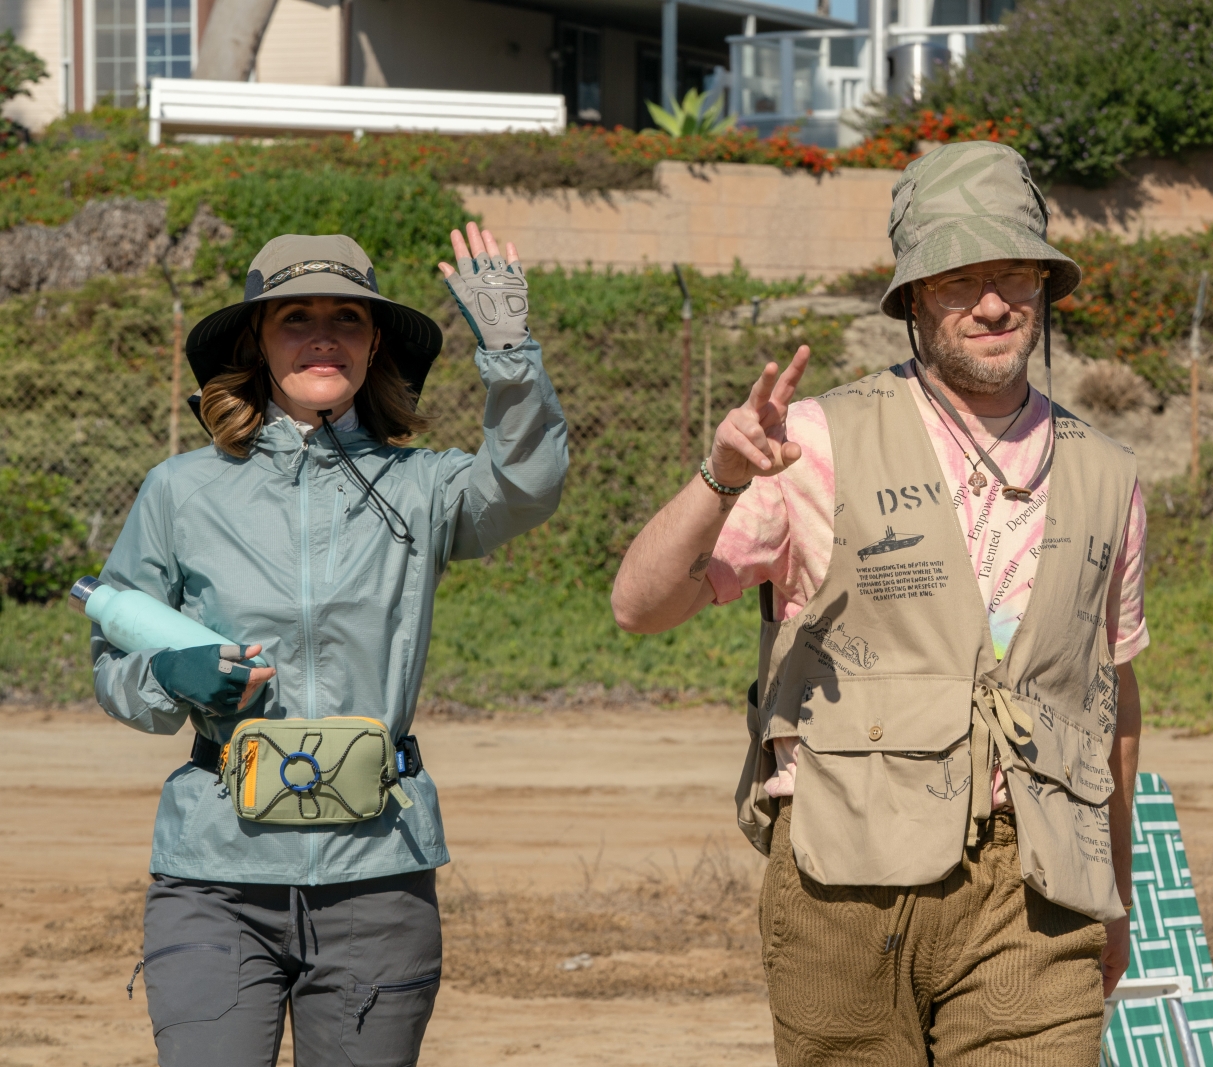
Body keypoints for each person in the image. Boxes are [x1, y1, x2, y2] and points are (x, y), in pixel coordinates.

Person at [612, 141, 1147, 1066]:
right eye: (957, 278)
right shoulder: (812, 443)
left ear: (1045, 284)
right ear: (912, 300)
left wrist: (1118, 888)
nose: (992, 303)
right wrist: (721, 476)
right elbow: (640, 606)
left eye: (1013, 273)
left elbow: (1114, 701)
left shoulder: (1109, 473)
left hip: (1038, 893)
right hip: (843, 884)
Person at [94, 224, 566, 1067]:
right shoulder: (179, 490)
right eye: (295, 317)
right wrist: (173, 678)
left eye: (347, 316)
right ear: (257, 339)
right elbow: (113, 662)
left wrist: (511, 356)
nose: (323, 336)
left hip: (378, 872)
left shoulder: (424, 486)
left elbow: (526, 486)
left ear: (374, 341)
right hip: (214, 875)